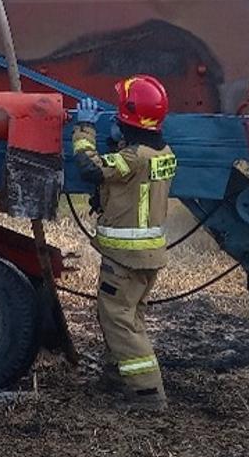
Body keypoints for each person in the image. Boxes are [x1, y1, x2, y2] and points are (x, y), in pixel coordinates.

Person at [71, 74, 177, 408]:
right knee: (129, 316)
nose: (115, 119)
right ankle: (119, 371)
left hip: (127, 258)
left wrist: (84, 130)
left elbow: (90, 168)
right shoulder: (162, 153)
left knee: (117, 318)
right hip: (147, 256)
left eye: (120, 114)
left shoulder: (134, 159)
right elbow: (131, 184)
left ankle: (147, 393)